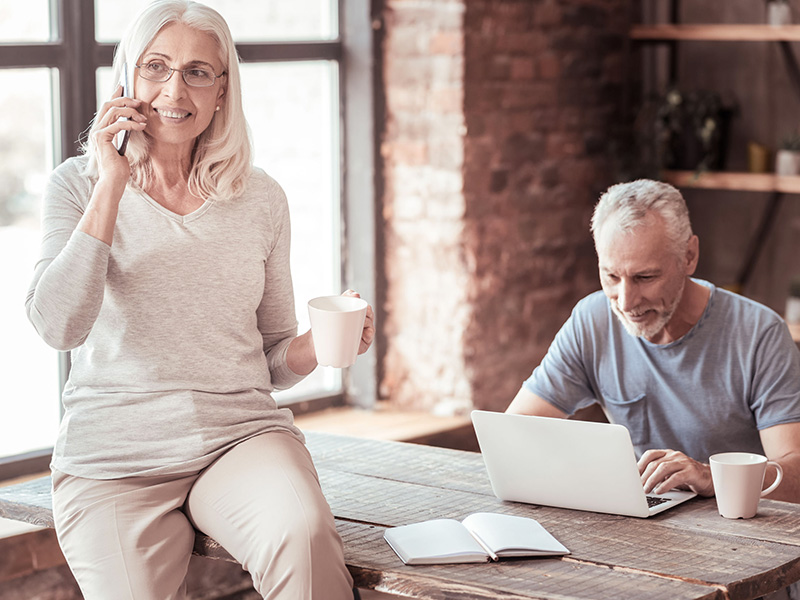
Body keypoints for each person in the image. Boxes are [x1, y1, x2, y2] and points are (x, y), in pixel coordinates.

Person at [24, 2, 373, 598]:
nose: (173, 89)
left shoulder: (260, 198)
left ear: (221, 90)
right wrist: (111, 183)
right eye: (156, 67)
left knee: (305, 539)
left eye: (197, 71)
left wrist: (314, 349)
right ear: (128, 79)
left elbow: (266, 360)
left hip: (240, 438)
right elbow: (57, 325)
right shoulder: (76, 185)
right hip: (115, 455)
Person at [507, 179, 800, 505]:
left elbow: (797, 473)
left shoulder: (760, 334)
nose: (626, 302)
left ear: (689, 256)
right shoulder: (592, 320)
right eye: (611, 277)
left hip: (745, 529)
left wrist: (710, 475)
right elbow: (515, 432)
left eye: (645, 277)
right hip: (648, 523)